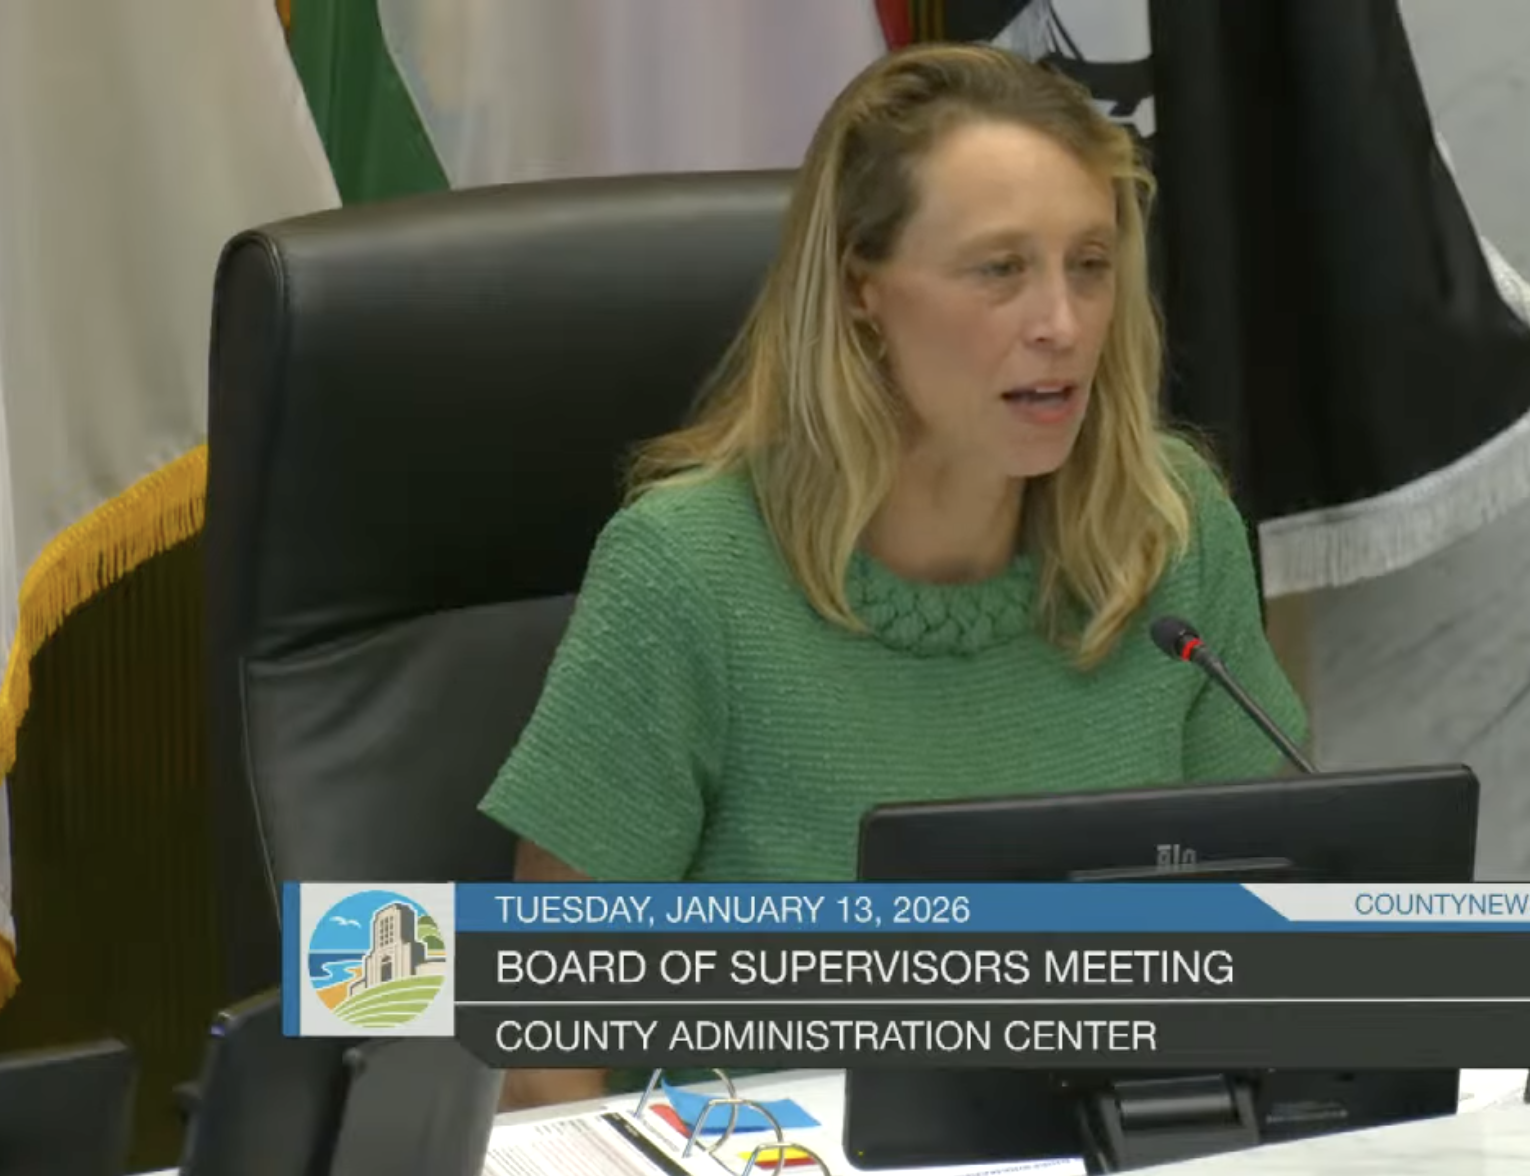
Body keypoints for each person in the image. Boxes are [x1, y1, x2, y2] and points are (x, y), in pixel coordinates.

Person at [478, 42, 1305, 1110]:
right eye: (1001, 268)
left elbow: (1270, 927)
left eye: (1089, 264)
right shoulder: (688, 572)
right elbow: (545, 1044)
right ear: (862, 289)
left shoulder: (1169, 523)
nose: (1060, 323)